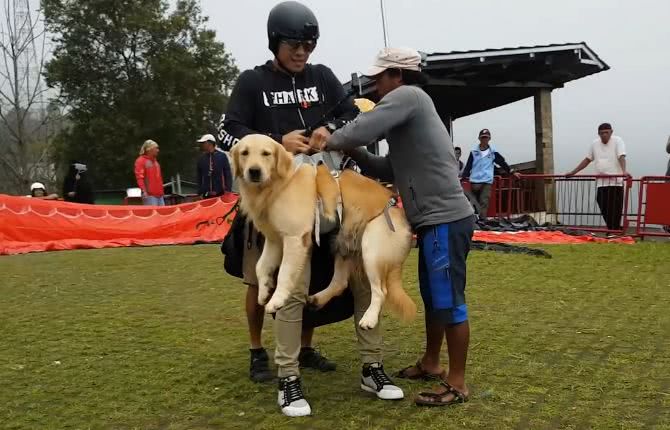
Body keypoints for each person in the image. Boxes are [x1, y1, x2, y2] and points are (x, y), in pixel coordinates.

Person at [222, 2, 401, 417]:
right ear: (274, 42)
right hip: (273, 201)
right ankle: (275, 367)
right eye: (293, 44)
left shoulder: (322, 77)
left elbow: (351, 111)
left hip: (329, 197)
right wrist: (273, 141)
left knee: (353, 276)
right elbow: (226, 128)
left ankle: (365, 366)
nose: (302, 51)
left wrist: (331, 129)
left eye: (309, 44)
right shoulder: (252, 81)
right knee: (266, 282)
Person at [322, 46, 475, 408]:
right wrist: (355, 154)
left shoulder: (409, 96)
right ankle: (432, 362)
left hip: (445, 220)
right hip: (435, 222)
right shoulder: (413, 111)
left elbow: (363, 127)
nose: (375, 85)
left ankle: (457, 383)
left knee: (449, 302)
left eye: (380, 77)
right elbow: (388, 168)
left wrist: (329, 138)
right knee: (433, 296)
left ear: (398, 75)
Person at [566, 123, 628, 231]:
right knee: (602, 204)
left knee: (615, 208)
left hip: (616, 181)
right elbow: (587, 159)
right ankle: (613, 228)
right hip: (601, 182)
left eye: (606, 132)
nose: (604, 135)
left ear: (611, 132)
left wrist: (624, 171)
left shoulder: (618, 140)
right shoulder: (594, 144)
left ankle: (614, 229)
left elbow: (621, 156)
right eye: (602, 133)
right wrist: (573, 172)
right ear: (598, 134)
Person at [461, 129, 517, 219]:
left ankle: (482, 222)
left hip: (487, 181)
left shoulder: (493, 152)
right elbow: (468, 166)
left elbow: (502, 163)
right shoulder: (473, 152)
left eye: (486, 137)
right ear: (479, 138)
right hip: (474, 182)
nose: (484, 139)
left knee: (484, 201)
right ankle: (473, 221)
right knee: (473, 203)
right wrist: (463, 178)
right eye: (482, 137)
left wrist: (511, 172)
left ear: (489, 139)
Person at [196, 134, 232, 198]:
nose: (202, 145)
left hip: (221, 194)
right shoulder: (201, 159)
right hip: (206, 195)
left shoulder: (222, 156)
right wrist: (199, 192)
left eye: (204, 143)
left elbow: (227, 174)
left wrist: (228, 190)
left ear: (210, 143)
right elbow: (199, 177)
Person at [134, 139, 165, 206]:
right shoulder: (140, 161)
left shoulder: (156, 163)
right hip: (149, 196)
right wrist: (144, 191)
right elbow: (139, 178)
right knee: (152, 215)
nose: (158, 150)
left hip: (160, 195)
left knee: (162, 215)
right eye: (156, 148)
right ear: (149, 149)